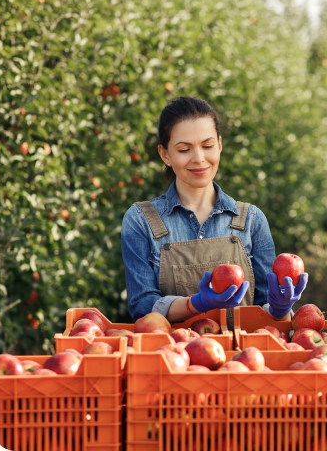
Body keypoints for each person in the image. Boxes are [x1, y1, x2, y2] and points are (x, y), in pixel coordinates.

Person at [121, 97, 305, 330]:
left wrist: (280, 308)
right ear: (165, 154)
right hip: (174, 358)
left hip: (244, 359)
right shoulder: (141, 220)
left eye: (207, 146)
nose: (199, 158)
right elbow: (142, 305)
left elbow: (265, 311)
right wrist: (195, 304)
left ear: (219, 145)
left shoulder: (251, 220)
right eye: (184, 149)